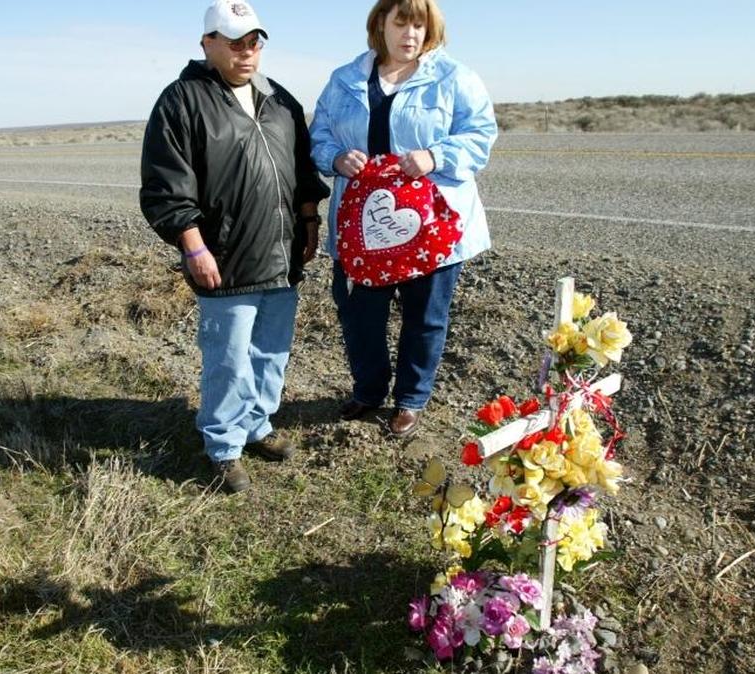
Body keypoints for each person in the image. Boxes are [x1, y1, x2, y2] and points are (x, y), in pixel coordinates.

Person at [140, 1, 329, 493]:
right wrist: (193, 247)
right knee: (228, 358)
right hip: (225, 257)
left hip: (281, 253)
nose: (247, 52)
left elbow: (302, 169)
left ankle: (257, 425)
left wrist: (309, 218)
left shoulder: (279, 99)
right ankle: (223, 446)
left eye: (254, 42)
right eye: (234, 41)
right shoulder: (181, 101)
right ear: (208, 44)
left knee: (270, 353)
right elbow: (166, 186)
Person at [309, 0, 498, 437]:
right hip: (363, 227)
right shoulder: (345, 80)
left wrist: (435, 156)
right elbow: (318, 136)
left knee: (425, 316)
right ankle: (369, 390)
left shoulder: (455, 78)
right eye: (401, 23)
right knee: (359, 313)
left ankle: (411, 400)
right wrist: (336, 158)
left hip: (433, 226)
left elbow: (481, 135)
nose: (410, 34)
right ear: (380, 24)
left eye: (420, 24)